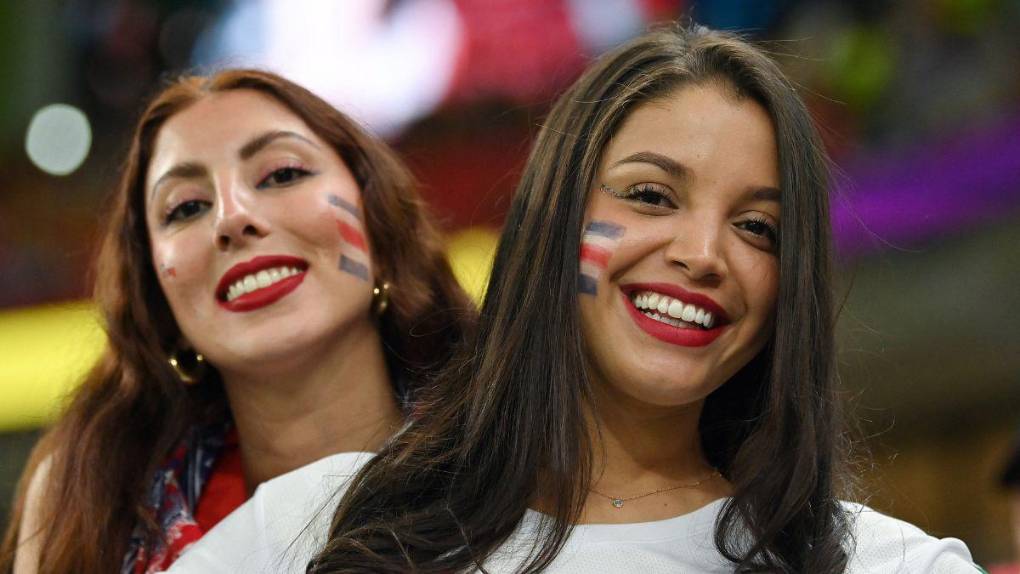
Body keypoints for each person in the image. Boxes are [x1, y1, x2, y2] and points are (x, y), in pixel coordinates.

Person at [165, 24, 979, 573]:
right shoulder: (315, 527)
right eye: (651, 196)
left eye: (759, 228)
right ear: (553, 222)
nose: (702, 255)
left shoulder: (883, 564)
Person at [0, 69, 473, 574]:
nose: (231, 216)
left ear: (379, 225)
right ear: (158, 300)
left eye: (283, 174)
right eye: (186, 208)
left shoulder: (526, 454)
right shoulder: (87, 508)